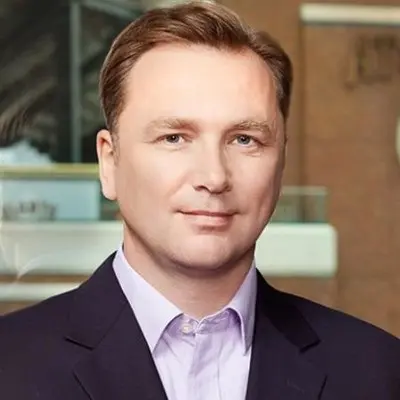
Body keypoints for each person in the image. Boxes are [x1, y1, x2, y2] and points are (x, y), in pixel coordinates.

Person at [0, 2, 399, 399]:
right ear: (110, 162)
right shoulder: (10, 365)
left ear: (280, 164)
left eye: (245, 140)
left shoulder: (378, 372)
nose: (214, 177)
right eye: (174, 138)